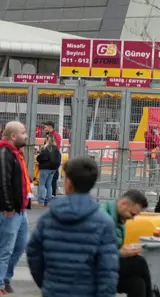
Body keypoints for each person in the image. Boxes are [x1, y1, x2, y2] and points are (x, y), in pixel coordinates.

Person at [26, 156, 119, 297]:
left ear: (68, 183)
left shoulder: (47, 218)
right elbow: (108, 269)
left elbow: (34, 253)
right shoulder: (104, 222)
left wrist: (45, 282)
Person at [100, 190, 153, 297]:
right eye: (132, 214)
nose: (132, 218)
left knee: (137, 282)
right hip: (96, 267)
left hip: (110, 266)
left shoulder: (120, 220)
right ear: (123, 204)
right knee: (139, 262)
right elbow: (94, 250)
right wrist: (120, 253)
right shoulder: (102, 218)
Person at [0, 121, 30, 292]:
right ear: (13, 136)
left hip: (20, 209)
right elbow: (3, 182)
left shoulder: (15, 153)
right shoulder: (5, 153)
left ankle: (5, 277)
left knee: (20, 245)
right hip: (10, 211)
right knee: (5, 248)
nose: (26, 135)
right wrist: (9, 206)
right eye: (23, 132)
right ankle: (1, 282)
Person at [35, 135, 61, 206]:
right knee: (49, 184)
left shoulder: (46, 148)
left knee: (42, 184)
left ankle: (41, 200)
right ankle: (48, 200)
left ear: (47, 140)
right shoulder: (56, 149)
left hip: (45, 168)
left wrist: (38, 156)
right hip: (53, 169)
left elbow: (41, 158)